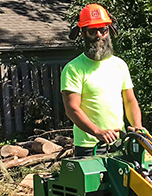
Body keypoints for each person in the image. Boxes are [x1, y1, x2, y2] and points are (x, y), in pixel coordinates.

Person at [61, 4, 142, 156]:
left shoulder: (119, 64)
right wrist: (97, 131)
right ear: (83, 34)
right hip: (89, 147)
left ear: (109, 31)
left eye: (103, 30)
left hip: (119, 143)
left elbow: (130, 101)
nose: (99, 35)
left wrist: (137, 127)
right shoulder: (73, 68)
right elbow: (72, 109)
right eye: (92, 31)